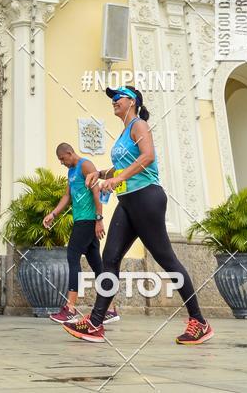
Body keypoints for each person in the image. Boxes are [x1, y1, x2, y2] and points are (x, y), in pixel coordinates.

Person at [64, 87, 214, 345]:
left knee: (166, 259)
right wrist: (101, 174)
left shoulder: (139, 125)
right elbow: (122, 166)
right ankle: (95, 323)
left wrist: (118, 178)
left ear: (131, 101)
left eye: (117, 97)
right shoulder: (125, 132)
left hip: (147, 198)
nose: (113, 101)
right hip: (127, 202)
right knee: (110, 258)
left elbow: (148, 156)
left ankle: (199, 321)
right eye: (112, 98)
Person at [43, 143, 118, 325]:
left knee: (72, 256)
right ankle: (110, 309)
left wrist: (99, 219)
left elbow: (96, 192)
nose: (62, 163)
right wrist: (53, 214)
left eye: (62, 159)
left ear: (69, 153)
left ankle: (70, 309)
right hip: (81, 220)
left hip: (87, 220)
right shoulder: (71, 171)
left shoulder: (86, 165)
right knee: (97, 265)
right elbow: (67, 196)